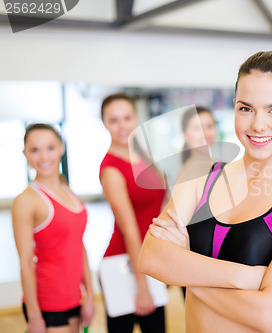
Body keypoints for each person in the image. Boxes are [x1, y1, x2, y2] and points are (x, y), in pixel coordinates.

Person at [138, 50, 272, 333]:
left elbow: (266, 315)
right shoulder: (200, 173)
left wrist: (184, 262)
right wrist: (246, 277)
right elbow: (151, 257)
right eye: (246, 108)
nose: (258, 125)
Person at [12, 123, 94, 333]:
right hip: (47, 302)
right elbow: (25, 262)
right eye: (35, 150)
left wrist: (90, 294)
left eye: (50, 148)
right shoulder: (26, 200)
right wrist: (34, 316)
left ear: (61, 148)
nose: (44, 157)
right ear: (25, 153)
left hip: (74, 297)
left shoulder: (66, 189)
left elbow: (78, 244)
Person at [99, 93, 168, 333]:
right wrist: (142, 285)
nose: (121, 126)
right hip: (124, 263)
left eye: (127, 118)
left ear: (136, 118)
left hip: (149, 258)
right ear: (104, 123)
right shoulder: (111, 169)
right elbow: (129, 230)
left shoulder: (142, 155)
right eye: (113, 120)